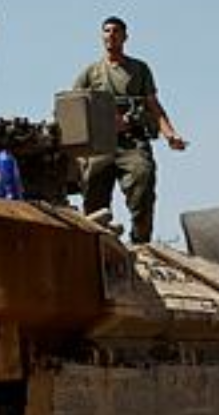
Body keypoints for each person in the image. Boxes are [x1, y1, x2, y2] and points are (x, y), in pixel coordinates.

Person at [73, 15, 187, 244]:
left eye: (116, 31)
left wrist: (170, 134)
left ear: (125, 36)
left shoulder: (139, 69)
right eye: (106, 31)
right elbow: (74, 106)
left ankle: (140, 242)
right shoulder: (91, 73)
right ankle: (96, 244)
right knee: (94, 198)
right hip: (100, 145)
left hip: (131, 142)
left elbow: (153, 105)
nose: (111, 35)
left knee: (142, 179)